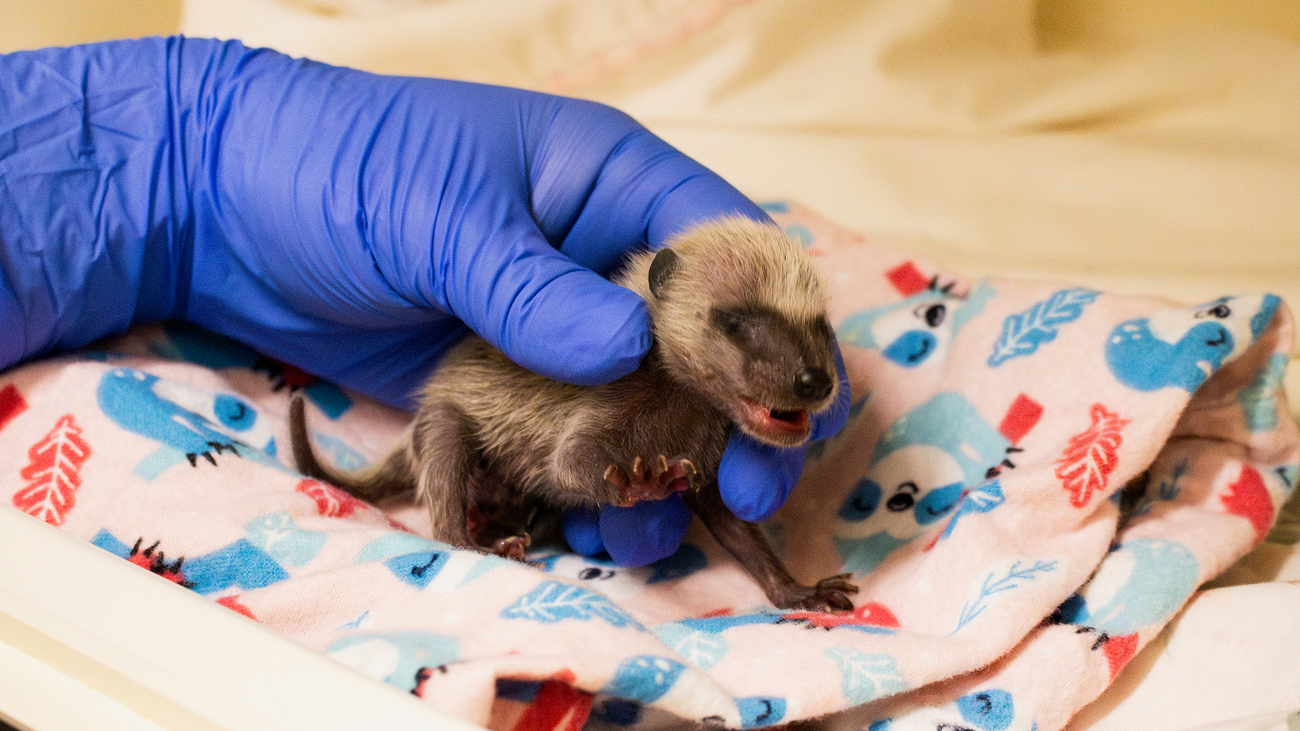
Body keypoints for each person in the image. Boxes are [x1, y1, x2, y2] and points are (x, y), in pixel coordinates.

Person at [0, 36, 847, 566]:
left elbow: (619, 478)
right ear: (664, 297)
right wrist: (185, 137)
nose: (804, 370)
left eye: (809, 332)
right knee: (472, 438)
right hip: (481, 429)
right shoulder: (624, 347)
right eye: (739, 328)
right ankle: (451, 537)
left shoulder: (704, 403)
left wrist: (180, 146)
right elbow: (577, 462)